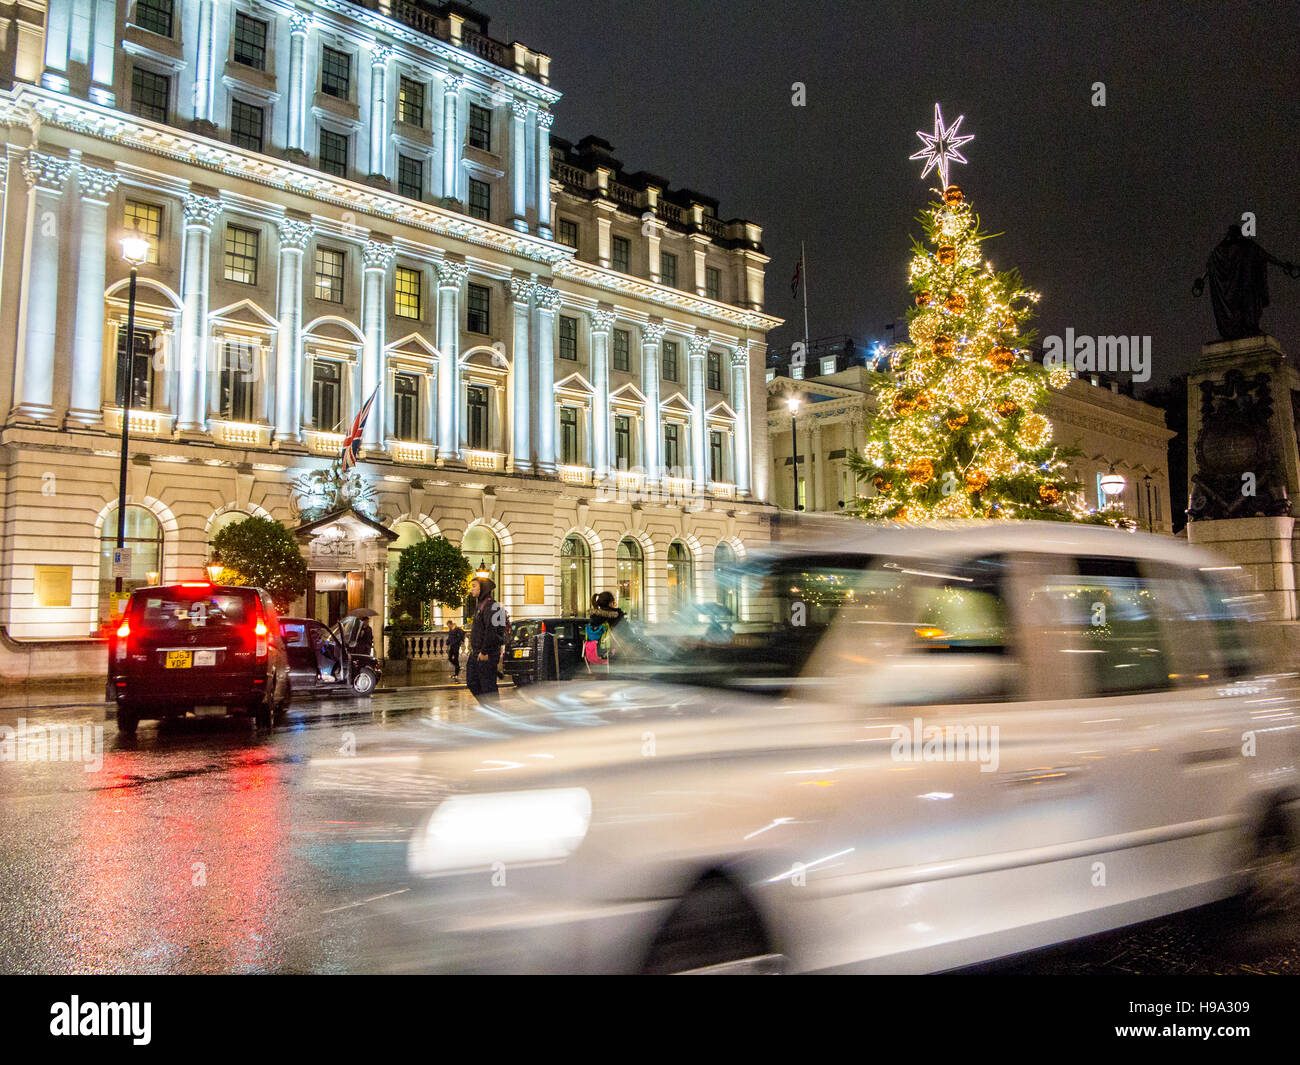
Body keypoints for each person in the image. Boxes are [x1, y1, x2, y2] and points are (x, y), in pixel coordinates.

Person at [466, 577, 507, 700]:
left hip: (486, 654)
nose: (471, 589)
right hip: (476, 653)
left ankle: (494, 712)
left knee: (488, 688)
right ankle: (488, 709)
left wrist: (484, 652)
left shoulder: (492, 606)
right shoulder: (480, 605)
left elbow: (491, 631)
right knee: (472, 682)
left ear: (482, 588)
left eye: (474, 586)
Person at [584, 591, 626, 667]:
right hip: (613, 651)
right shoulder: (616, 615)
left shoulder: (593, 617)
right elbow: (625, 631)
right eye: (614, 602)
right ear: (610, 603)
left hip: (594, 654)